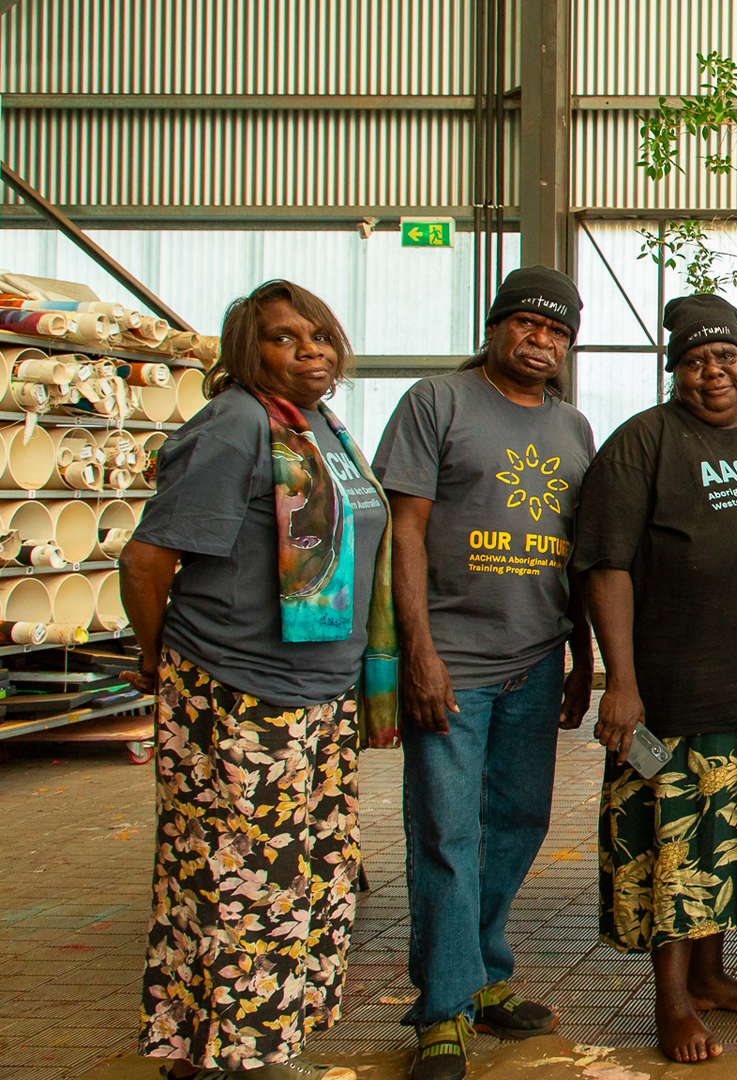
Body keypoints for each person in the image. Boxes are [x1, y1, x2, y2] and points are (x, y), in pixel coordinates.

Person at [124, 279, 395, 1080]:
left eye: (318, 335)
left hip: (315, 694)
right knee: (245, 881)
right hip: (241, 692)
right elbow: (146, 560)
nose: (308, 349)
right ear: (248, 350)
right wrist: (157, 658)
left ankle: (220, 1045)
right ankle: (243, 1056)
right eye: (284, 337)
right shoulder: (236, 423)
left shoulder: (322, 428)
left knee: (302, 875)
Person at [373, 267, 596, 1080]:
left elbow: (577, 554)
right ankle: (442, 1009)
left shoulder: (574, 427)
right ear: (497, 326)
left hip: (535, 662)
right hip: (453, 666)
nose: (541, 342)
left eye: (557, 331)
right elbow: (405, 534)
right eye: (527, 326)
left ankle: (483, 976)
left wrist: (583, 658)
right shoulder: (437, 402)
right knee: (444, 831)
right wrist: (416, 655)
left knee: (517, 822)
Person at [578, 294, 737, 1064]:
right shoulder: (642, 442)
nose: (716, 372)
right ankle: (671, 1001)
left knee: (728, 842)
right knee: (672, 850)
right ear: (676, 371)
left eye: (728, 357)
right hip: (671, 692)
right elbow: (606, 565)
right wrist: (621, 681)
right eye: (697, 360)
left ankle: (710, 976)